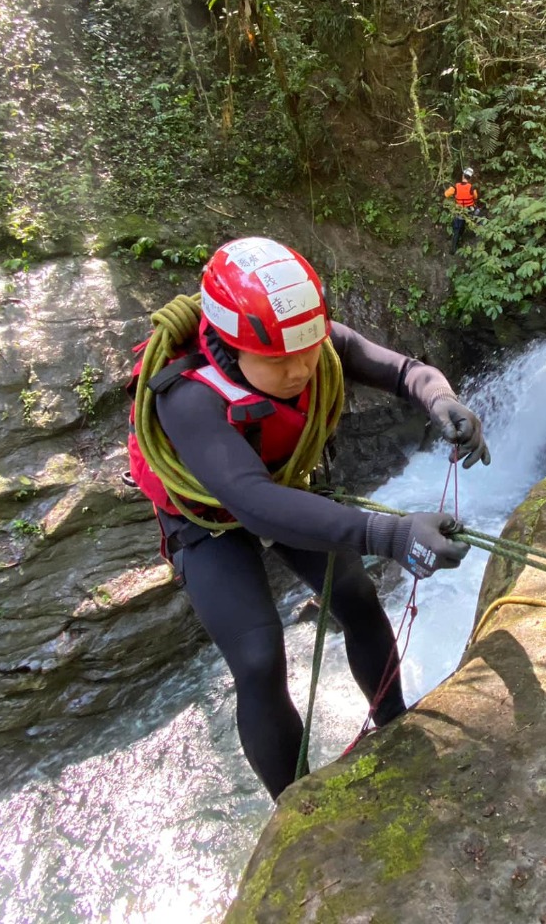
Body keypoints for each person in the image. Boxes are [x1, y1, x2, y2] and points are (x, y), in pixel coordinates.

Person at [128, 237, 490, 799]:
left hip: (280, 484)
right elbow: (251, 501)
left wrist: (440, 398)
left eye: (309, 350)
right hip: (204, 515)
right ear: (229, 346)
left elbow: (403, 371)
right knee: (258, 655)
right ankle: (295, 805)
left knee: (358, 600)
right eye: (279, 361)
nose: (302, 369)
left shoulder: (306, 345)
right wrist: (390, 534)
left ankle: (395, 725)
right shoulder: (187, 397)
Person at [444, 167, 479, 252]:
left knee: (457, 228)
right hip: (469, 211)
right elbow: (476, 197)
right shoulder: (472, 188)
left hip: (459, 210)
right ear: (470, 178)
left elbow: (446, 194)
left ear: (463, 175)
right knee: (477, 212)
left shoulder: (455, 186)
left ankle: (453, 248)